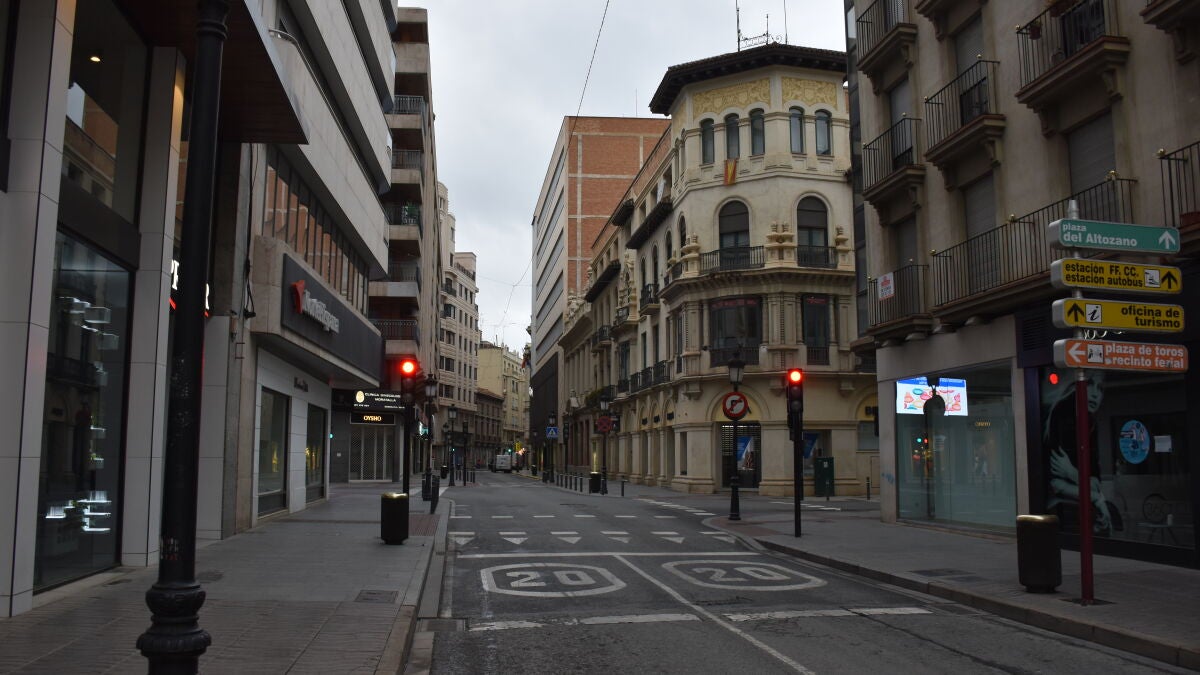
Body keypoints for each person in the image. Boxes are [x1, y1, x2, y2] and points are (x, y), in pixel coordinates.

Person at [1042, 371, 1122, 535]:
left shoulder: (1089, 421)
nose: (1095, 394)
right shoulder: (1063, 414)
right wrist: (1096, 497)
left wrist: (1073, 474)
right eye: (1090, 384)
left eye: (1100, 388)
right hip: (1063, 507)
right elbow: (1056, 483)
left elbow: (1094, 481)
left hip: (1076, 501)